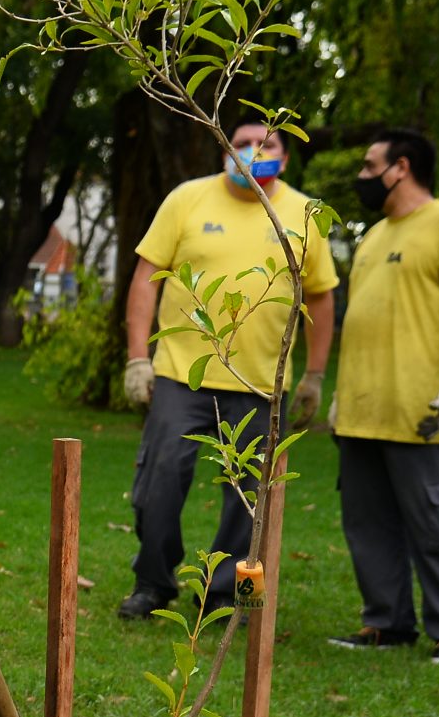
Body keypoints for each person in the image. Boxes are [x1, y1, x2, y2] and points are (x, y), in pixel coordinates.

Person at [116, 121, 337, 621]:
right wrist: (136, 358)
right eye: (240, 142)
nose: (251, 151)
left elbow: (321, 299)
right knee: (158, 485)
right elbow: (146, 278)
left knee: (251, 501)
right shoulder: (187, 199)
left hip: (262, 384)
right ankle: (153, 582)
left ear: (285, 156)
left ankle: (230, 596)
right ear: (225, 148)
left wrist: (315, 376)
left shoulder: (303, 214)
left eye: (267, 143)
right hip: (181, 376)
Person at [324, 127, 439, 665]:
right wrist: (339, 397)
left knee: (436, 526)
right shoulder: (373, 237)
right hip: (362, 411)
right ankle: (386, 622)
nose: (363, 176)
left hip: (421, 410)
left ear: (402, 167)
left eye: (370, 166)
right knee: (367, 526)